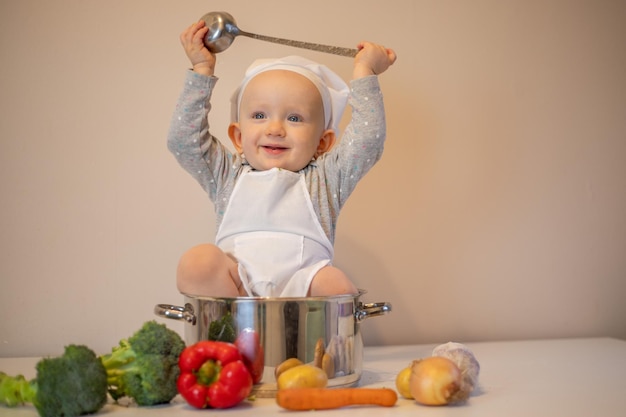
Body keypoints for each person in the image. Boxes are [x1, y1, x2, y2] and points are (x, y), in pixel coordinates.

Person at [168, 19, 396, 298]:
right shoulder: (226, 174)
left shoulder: (326, 179)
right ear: (238, 137)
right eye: (260, 115)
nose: (275, 129)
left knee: (336, 286)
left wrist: (365, 72)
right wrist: (201, 71)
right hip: (237, 293)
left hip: (303, 295)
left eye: (294, 118)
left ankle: (309, 340)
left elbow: (367, 140)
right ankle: (238, 335)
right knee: (197, 263)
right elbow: (184, 141)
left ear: (322, 143)